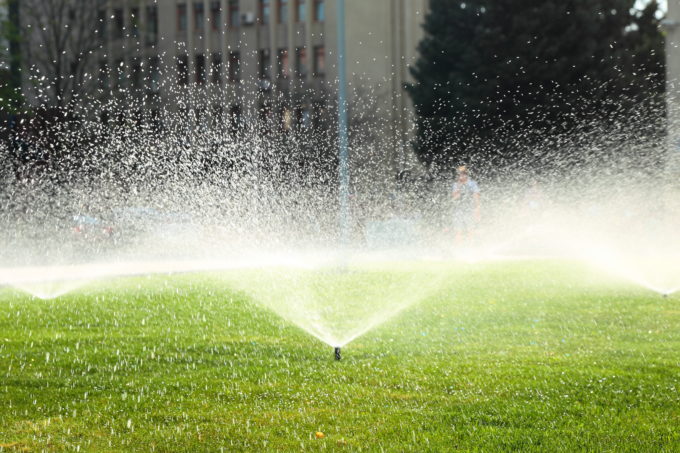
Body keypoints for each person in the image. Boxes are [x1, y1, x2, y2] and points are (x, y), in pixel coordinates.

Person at [451, 166, 481, 244]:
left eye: (463, 173)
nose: (461, 175)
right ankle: (458, 247)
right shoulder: (455, 185)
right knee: (458, 230)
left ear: (466, 174)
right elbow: (454, 197)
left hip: (469, 209)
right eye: (460, 174)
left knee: (470, 229)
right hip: (458, 210)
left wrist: (477, 208)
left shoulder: (472, 183)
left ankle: (470, 246)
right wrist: (459, 186)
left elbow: (476, 196)